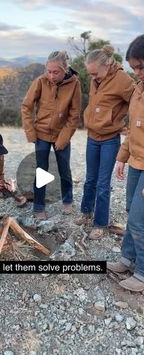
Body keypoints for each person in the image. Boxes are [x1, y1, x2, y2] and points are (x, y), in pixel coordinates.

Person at [78, 45, 134, 240]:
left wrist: (125, 122)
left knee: (103, 183)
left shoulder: (123, 79)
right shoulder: (96, 78)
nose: (92, 78)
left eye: (95, 74)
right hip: (92, 136)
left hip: (110, 139)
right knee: (90, 179)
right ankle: (86, 212)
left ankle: (100, 223)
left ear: (108, 65)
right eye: (90, 74)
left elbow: (136, 101)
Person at [22, 50, 81, 220]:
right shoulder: (40, 81)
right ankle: (39, 206)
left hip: (61, 134)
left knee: (64, 169)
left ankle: (68, 200)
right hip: (41, 134)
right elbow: (26, 106)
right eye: (49, 71)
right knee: (41, 170)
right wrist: (30, 131)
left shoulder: (74, 84)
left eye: (56, 72)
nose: (52, 76)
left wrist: (63, 138)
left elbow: (74, 115)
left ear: (65, 69)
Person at [107, 35, 144, 292]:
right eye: (134, 68)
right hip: (136, 161)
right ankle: (127, 259)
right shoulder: (137, 92)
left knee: (141, 218)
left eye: (142, 66)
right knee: (131, 211)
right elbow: (131, 130)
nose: (138, 73)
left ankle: (142, 272)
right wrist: (122, 158)